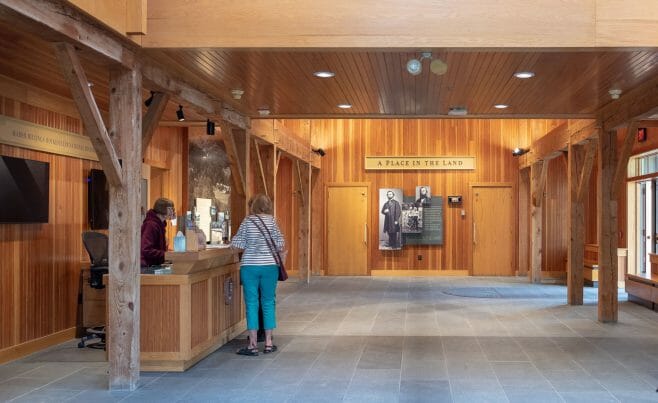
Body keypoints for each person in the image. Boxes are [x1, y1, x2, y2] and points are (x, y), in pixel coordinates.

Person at [231, 194, 285, 356]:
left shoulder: (248, 221)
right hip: (269, 267)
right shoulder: (273, 221)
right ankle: (269, 343)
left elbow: (237, 244)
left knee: (252, 304)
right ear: (268, 206)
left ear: (253, 206)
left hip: (250, 267)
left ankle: (253, 344)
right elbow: (281, 244)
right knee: (268, 302)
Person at [141, 198, 175, 267]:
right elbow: (146, 249)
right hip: (147, 266)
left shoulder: (160, 225)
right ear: (161, 209)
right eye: (169, 209)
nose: (172, 212)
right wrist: (166, 254)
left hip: (153, 265)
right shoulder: (151, 225)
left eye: (172, 209)